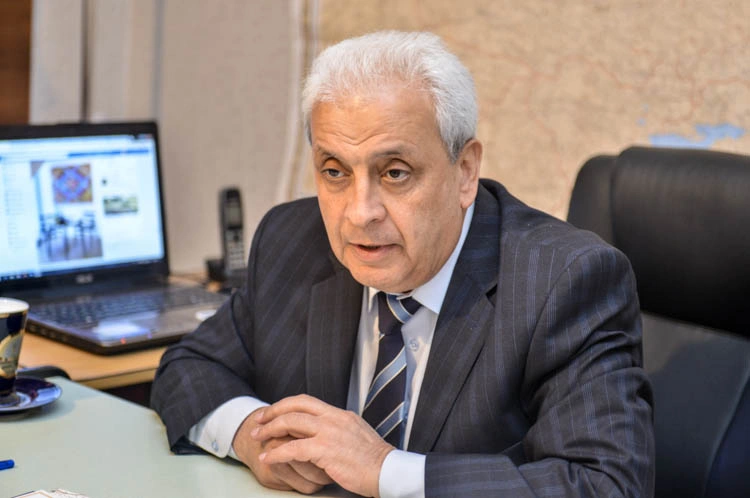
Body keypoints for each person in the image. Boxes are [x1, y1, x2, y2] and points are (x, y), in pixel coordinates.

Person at [151, 30, 655, 498]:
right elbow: (188, 368)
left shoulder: (562, 281)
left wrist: (384, 469)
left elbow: (606, 484)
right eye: (334, 171)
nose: (359, 213)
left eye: (395, 173)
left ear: (465, 171)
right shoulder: (292, 241)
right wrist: (251, 436)